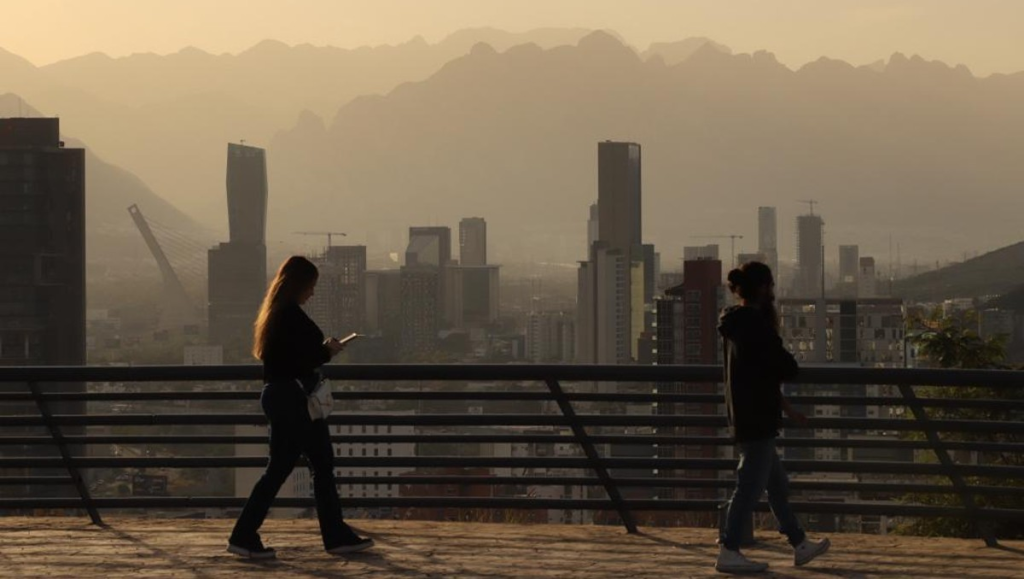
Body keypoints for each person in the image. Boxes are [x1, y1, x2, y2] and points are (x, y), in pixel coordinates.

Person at [228, 256, 374, 559]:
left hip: (279, 397)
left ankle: (244, 535)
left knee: (280, 469)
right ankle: (335, 536)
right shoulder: (291, 316)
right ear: (299, 284)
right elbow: (301, 361)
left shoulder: (274, 314)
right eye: (311, 286)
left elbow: (283, 359)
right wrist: (328, 351)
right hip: (295, 400)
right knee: (321, 465)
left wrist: (320, 352)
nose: (313, 292)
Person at [715, 261, 830, 573]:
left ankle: (799, 543)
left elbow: (759, 374)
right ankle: (729, 548)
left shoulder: (736, 324)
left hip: (748, 413)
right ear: (764, 288)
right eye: (771, 285)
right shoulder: (755, 327)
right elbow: (784, 366)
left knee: (776, 484)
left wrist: (787, 408)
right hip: (757, 419)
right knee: (749, 487)